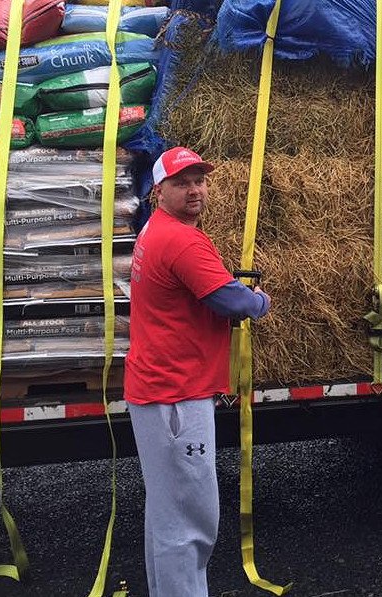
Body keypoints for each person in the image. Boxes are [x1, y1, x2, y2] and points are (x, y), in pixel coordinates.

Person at [124, 146, 271, 597]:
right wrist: (260, 299)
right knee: (190, 519)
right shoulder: (183, 241)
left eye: (200, 181)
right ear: (158, 191)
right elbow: (232, 301)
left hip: (157, 388)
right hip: (176, 396)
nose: (195, 190)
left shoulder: (154, 229)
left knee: (166, 514)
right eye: (182, 183)